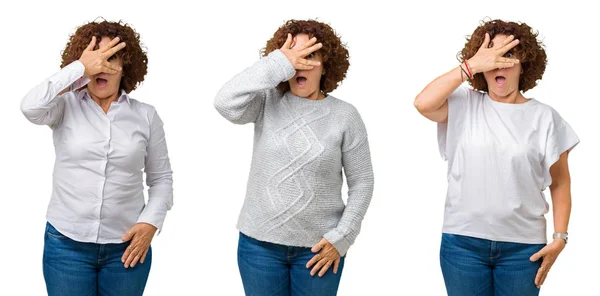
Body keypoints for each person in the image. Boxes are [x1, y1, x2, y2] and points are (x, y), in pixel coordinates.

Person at [414, 19, 579, 296]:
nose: (499, 63)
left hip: (523, 249)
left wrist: (560, 238)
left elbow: (560, 183)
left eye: (509, 55)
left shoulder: (545, 118)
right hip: (463, 244)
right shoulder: (463, 104)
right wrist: (471, 66)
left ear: (524, 63)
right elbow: (423, 103)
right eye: (492, 55)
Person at [214, 19, 374, 296]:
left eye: (310, 55)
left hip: (319, 250)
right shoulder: (265, 101)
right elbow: (224, 103)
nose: (300, 63)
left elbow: (362, 182)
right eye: (293, 55)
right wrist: (277, 63)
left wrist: (344, 237)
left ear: (326, 64)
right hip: (258, 247)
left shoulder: (346, 116)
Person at [20, 20, 173, 296]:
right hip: (66, 246)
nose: (102, 65)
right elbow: (29, 107)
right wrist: (79, 69)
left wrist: (151, 222)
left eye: (111, 57)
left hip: (127, 249)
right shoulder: (63, 106)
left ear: (126, 65)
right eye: (95, 56)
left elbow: (161, 179)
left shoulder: (146, 116)